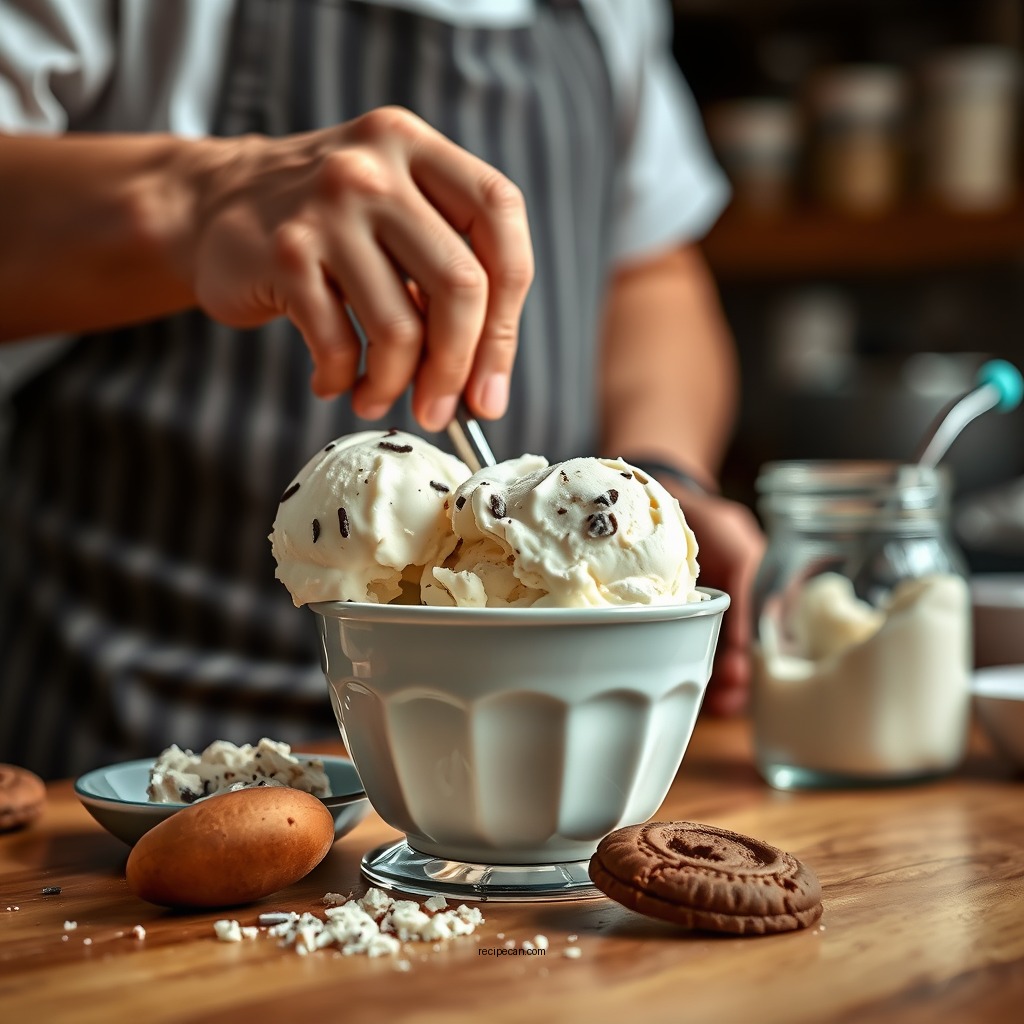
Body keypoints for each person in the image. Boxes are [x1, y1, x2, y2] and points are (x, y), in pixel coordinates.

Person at [0, 0, 763, 780]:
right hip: (139, 752)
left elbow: (651, 272)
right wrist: (200, 199)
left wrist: (657, 487)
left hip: (511, 765)